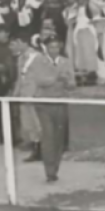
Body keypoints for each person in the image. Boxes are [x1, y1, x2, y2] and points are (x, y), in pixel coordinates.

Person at [27, 35, 76, 182]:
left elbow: (72, 83)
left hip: (60, 102)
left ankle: (55, 167)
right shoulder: (38, 61)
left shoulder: (66, 61)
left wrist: (67, 82)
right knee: (48, 135)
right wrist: (56, 77)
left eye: (56, 47)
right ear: (46, 48)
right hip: (44, 103)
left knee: (59, 137)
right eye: (51, 47)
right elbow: (40, 80)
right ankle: (49, 170)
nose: (54, 50)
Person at [11, 34, 44, 163]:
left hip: (35, 95)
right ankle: (35, 147)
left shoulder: (37, 57)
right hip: (24, 95)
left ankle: (42, 149)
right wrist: (15, 94)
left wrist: (38, 94)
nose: (15, 46)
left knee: (37, 123)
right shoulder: (20, 59)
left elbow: (41, 77)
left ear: (24, 43)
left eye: (17, 43)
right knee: (28, 123)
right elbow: (19, 78)